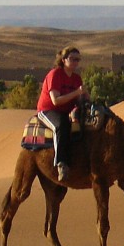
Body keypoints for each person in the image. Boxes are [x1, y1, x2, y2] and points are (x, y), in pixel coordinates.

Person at [37, 46, 89, 182]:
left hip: (67, 111)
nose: (75, 62)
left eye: (78, 59)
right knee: (62, 125)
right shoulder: (55, 74)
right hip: (48, 110)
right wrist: (77, 92)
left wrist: (84, 98)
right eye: (72, 59)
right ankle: (61, 163)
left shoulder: (77, 79)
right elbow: (56, 101)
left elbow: (80, 99)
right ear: (64, 59)